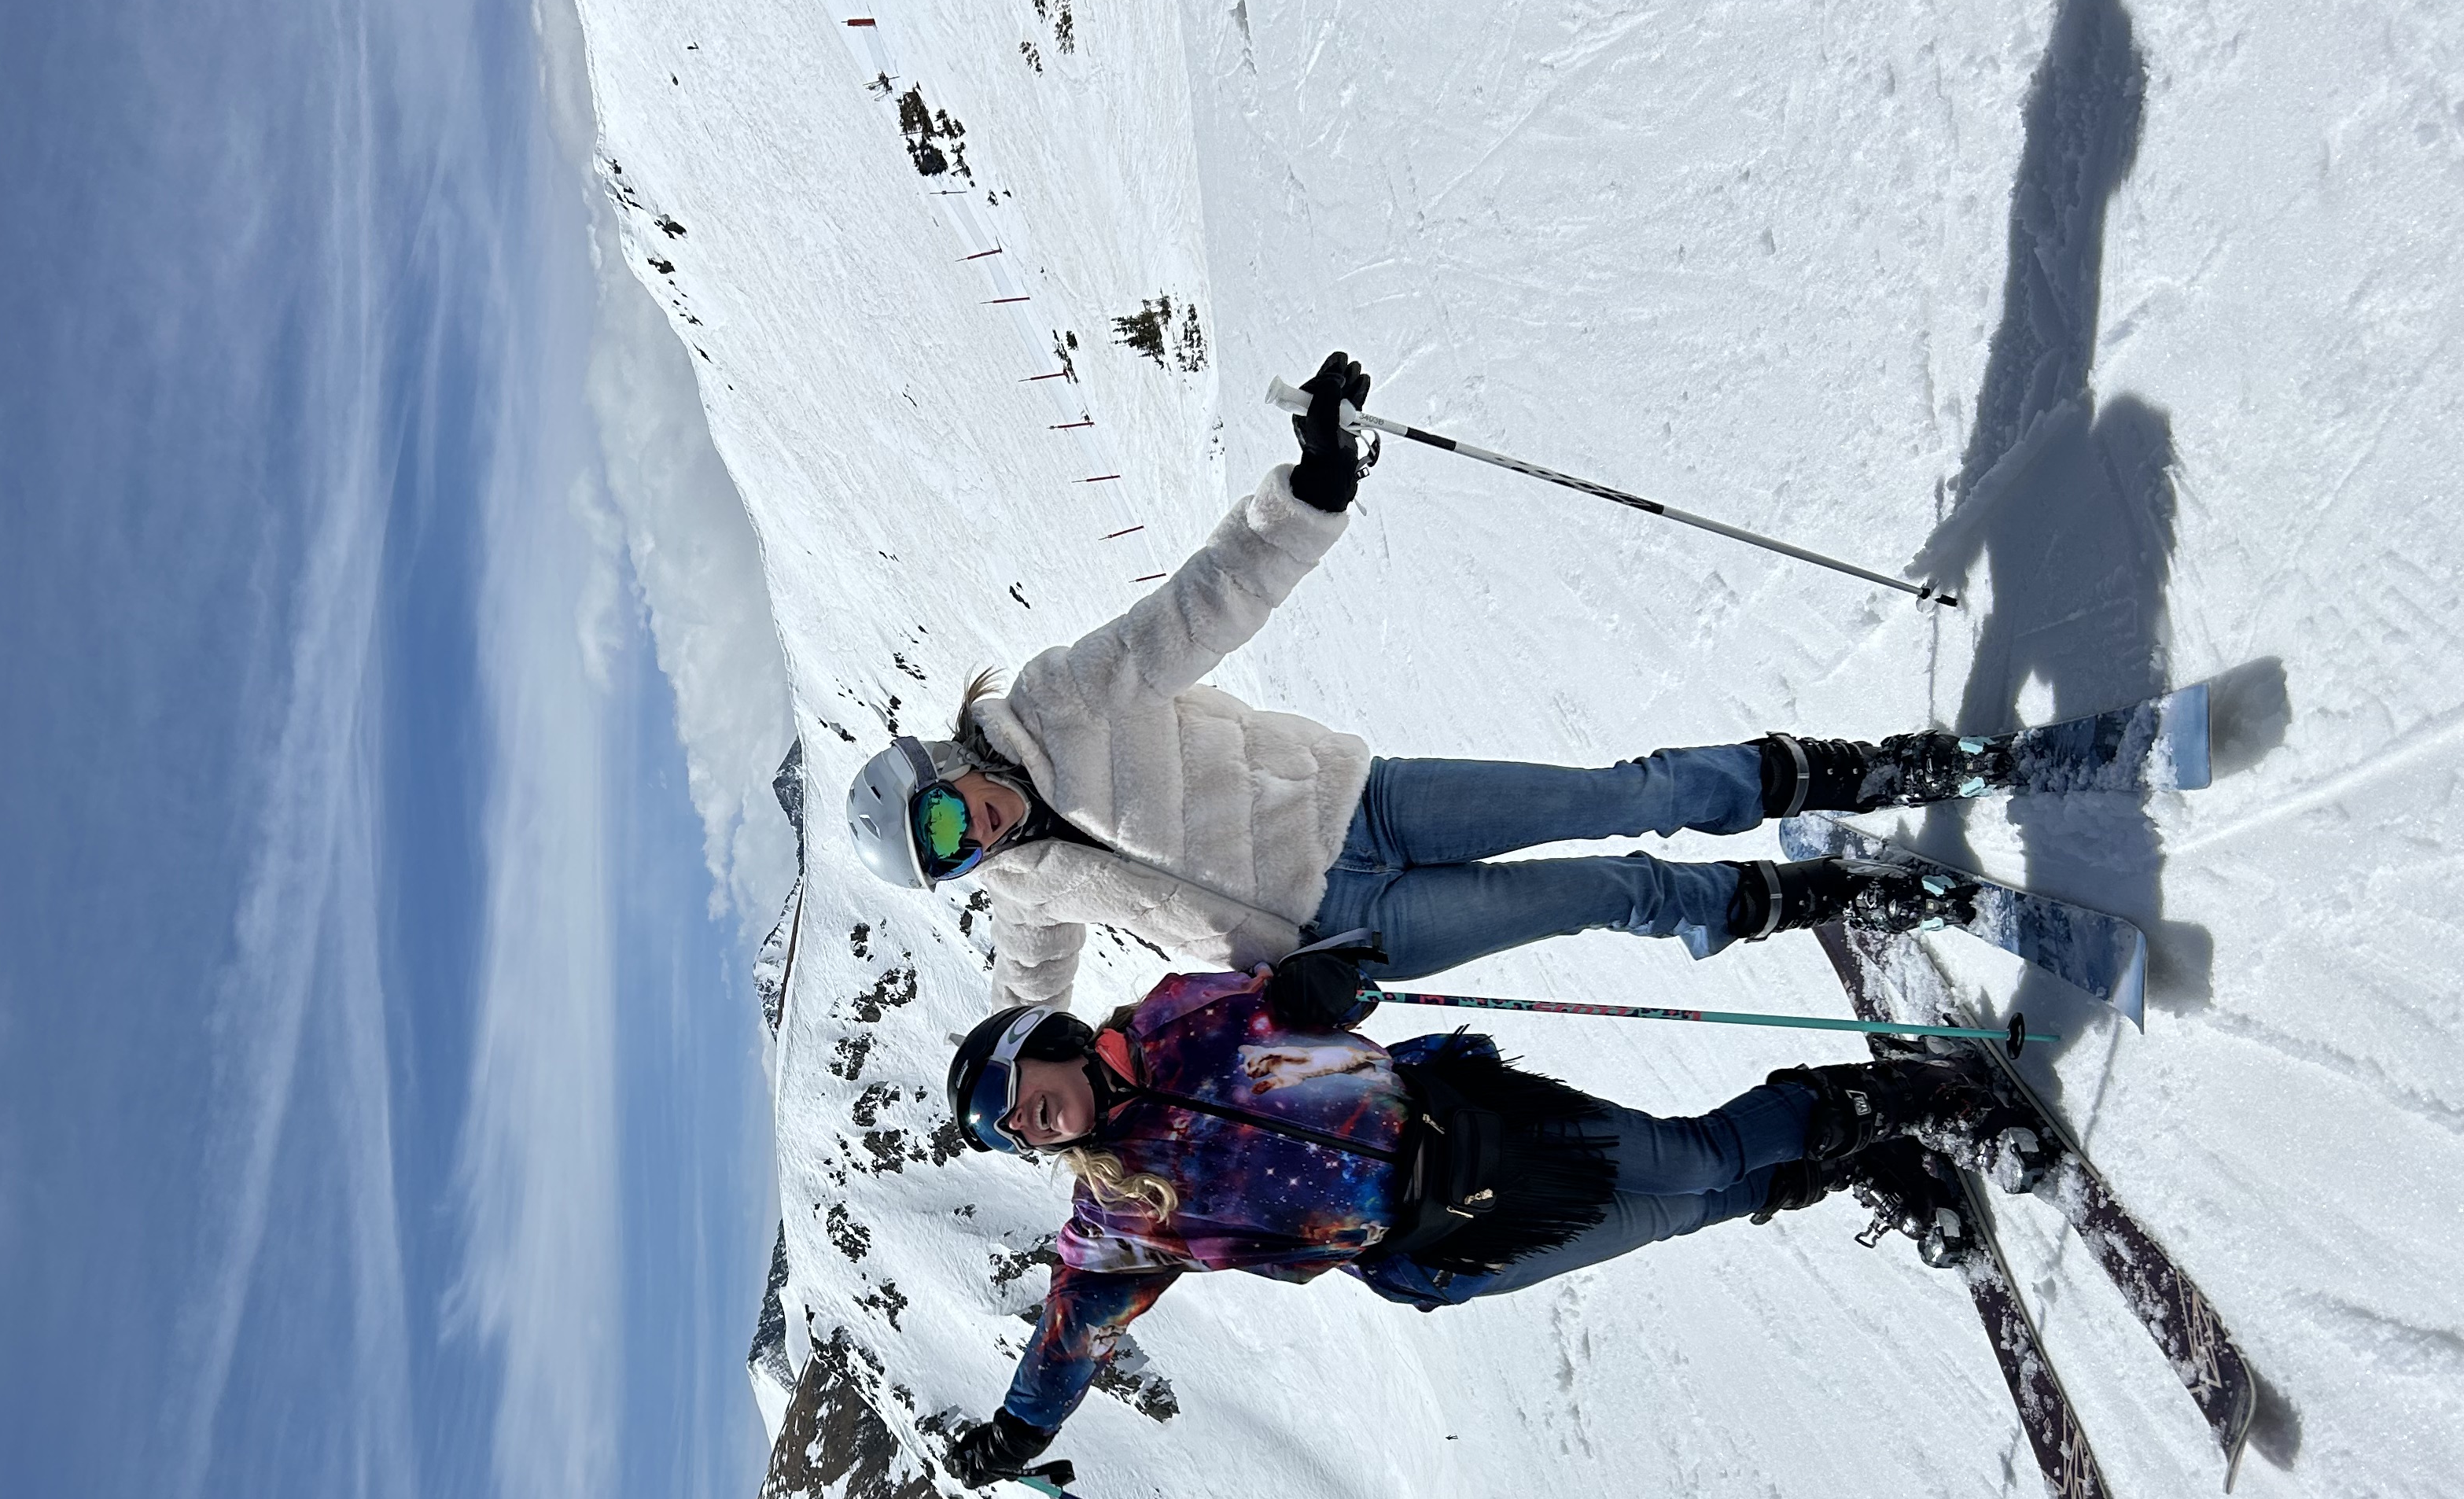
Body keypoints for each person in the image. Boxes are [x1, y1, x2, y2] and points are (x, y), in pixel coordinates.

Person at [845, 352, 2025, 1017]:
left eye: (946, 813)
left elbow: (1191, 616)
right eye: (952, 854)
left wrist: (1303, 499)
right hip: (1343, 931)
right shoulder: (1027, 898)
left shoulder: (1059, 701)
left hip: (1365, 803)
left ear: (944, 765)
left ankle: (1847, 772)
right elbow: (1027, 1021)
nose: (973, 836)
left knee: (1617, 795)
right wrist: (1021, 1111)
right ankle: (1821, 898)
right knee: (1613, 894)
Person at [935, 940, 2042, 1482]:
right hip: (1437, 1248)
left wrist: (1312, 986)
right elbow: (1072, 1325)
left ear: (1060, 1042)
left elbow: (1286, 988)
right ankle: (1856, 1160)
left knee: (1690, 1155)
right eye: (1018, 1132)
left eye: (1029, 1098)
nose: (1035, 1125)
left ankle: (1917, 1100)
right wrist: (1021, 1429)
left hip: (1466, 1124)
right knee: (1679, 1211)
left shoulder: (1180, 1016)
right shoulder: (1123, 1211)